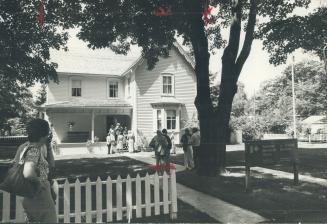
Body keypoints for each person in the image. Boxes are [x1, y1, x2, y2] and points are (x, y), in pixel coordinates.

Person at [13, 119, 57, 222]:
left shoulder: (27, 148)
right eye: (48, 131)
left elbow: (51, 166)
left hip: (27, 193)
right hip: (39, 194)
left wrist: (49, 146)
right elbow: (27, 173)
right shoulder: (34, 150)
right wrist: (40, 183)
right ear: (43, 134)